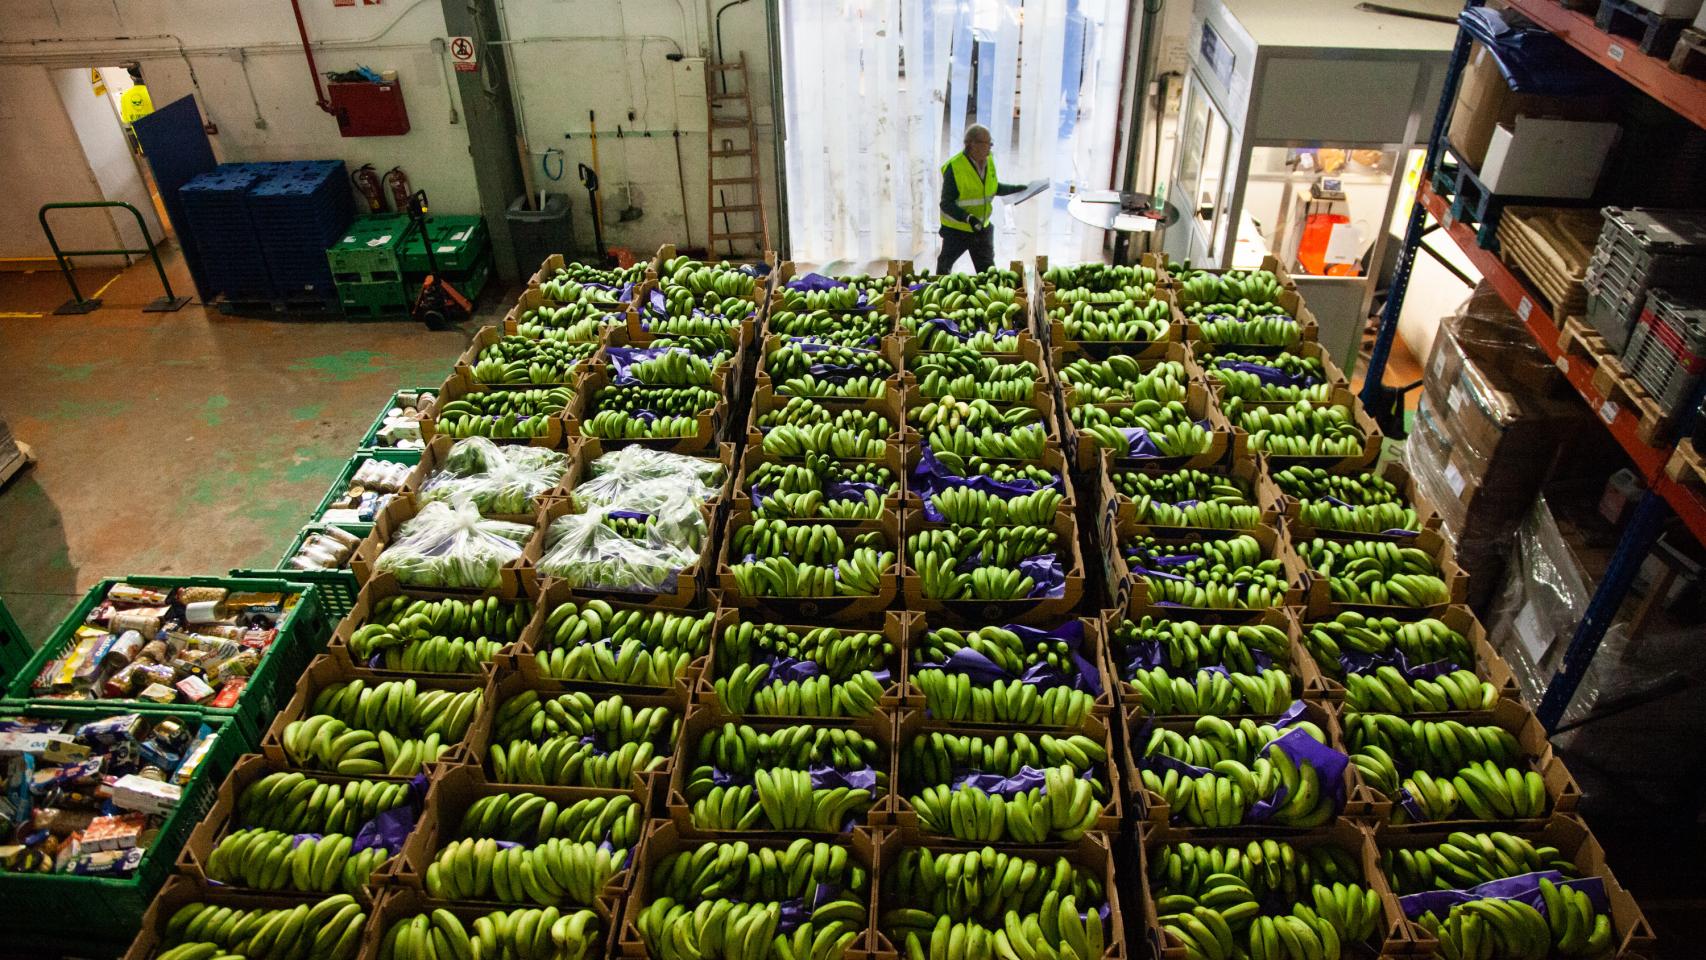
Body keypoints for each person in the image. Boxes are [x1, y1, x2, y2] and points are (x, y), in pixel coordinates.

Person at [937, 124, 1028, 274]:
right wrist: (968, 218)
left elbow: (991, 188)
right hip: (957, 231)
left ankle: (989, 297)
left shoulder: (989, 160)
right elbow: (946, 204)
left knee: (988, 273)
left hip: (981, 229)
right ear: (973, 144)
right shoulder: (954, 168)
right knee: (944, 268)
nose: (990, 148)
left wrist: (1015, 189)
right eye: (988, 144)